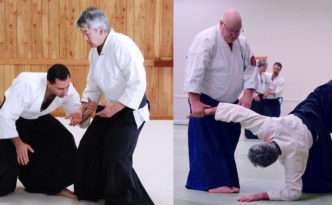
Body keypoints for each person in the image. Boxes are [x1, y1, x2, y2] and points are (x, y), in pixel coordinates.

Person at [189, 80, 332, 201]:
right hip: (312, 108)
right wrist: (208, 111)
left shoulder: (295, 156)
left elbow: (293, 193)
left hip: (315, 128)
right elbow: (238, 113)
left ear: (274, 160)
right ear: (266, 142)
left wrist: (262, 195)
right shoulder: (269, 128)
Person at [74, 7, 154, 205]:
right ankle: (96, 191)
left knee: (117, 156)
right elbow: (92, 84)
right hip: (109, 107)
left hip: (130, 109)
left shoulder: (123, 46)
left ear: (100, 29)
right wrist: (83, 108)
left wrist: (116, 107)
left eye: (86, 33)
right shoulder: (95, 52)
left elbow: (138, 83)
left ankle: (123, 200)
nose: (85, 38)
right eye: (83, 33)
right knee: (88, 147)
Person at [183, 9, 257, 193]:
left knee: (229, 141)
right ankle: (212, 183)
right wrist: (195, 102)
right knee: (207, 143)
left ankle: (227, 180)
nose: (234, 35)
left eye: (237, 31)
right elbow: (194, 70)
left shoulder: (242, 42)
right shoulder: (206, 39)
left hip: (231, 102)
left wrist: (248, 93)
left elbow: (251, 68)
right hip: (205, 100)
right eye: (230, 30)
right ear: (221, 24)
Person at [0, 64, 82, 199]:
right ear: (49, 83)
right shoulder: (26, 84)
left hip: (36, 117)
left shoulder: (66, 89)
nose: (65, 92)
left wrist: (82, 112)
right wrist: (19, 144)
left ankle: (53, 186)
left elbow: (75, 109)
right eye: (60, 88)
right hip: (14, 118)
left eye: (67, 86)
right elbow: (6, 116)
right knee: (5, 184)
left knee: (64, 139)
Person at [245, 59, 274, 139]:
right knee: (253, 116)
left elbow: (271, 84)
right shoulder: (253, 74)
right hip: (253, 96)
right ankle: (249, 135)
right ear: (263, 65)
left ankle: (264, 133)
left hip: (261, 97)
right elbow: (247, 84)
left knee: (267, 115)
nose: (267, 67)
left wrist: (268, 92)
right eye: (266, 66)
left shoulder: (265, 75)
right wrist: (253, 93)